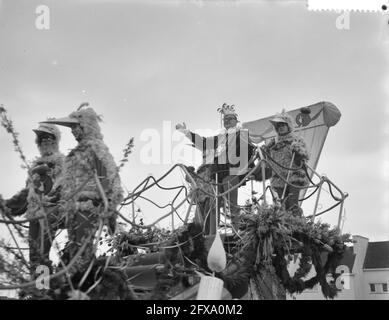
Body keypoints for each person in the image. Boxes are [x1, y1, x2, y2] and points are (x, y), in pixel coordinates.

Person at [41, 105, 123, 271]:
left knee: (81, 249)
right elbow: (67, 182)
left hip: (89, 206)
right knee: (74, 247)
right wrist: (52, 196)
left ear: (85, 127)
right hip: (72, 208)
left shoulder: (95, 148)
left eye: (75, 127)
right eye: (72, 128)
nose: (73, 132)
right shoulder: (75, 153)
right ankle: (45, 282)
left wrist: (110, 206)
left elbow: (110, 176)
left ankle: (84, 284)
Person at [176, 103, 256, 230]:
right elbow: (203, 143)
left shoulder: (242, 133)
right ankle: (212, 233)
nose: (227, 121)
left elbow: (249, 150)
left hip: (232, 172)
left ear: (236, 121)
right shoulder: (221, 137)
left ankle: (236, 231)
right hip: (218, 173)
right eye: (225, 119)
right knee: (214, 203)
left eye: (230, 119)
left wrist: (244, 168)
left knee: (232, 203)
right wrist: (186, 132)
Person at [5, 123, 65, 273]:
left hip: (51, 212)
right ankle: (38, 291)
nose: (45, 140)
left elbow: (63, 186)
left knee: (42, 252)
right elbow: (27, 193)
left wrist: (49, 199)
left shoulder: (62, 162)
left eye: (48, 137)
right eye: (41, 138)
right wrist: (6, 205)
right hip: (34, 214)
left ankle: (43, 288)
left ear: (55, 140)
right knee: (34, 255)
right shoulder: (34, 167)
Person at [262, 110, 309, 214]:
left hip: (294, 176)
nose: (281, 127)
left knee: (293, 203)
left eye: (283, 125)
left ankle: (297, 224)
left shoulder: (296, 140)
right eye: (278, 126)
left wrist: (298, 151)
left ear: (288, 126)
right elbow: (267, 160)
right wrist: (263, 152)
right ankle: (287, 227)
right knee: (283, 204)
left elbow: (304, 158)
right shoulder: (272, 144)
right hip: (279, 178)